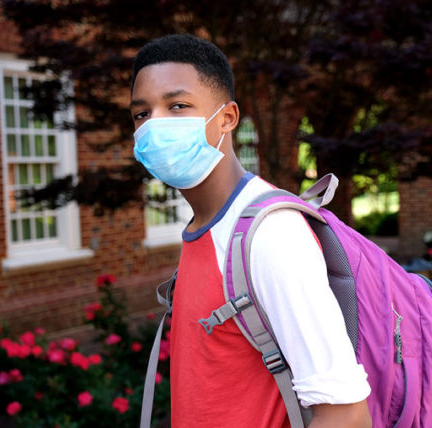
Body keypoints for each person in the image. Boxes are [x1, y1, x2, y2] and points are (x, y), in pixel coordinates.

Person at [130, 34, 372, 428]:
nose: (154, 125)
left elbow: (346, 414)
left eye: (177, 106)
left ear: (226, 118)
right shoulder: (203, 225)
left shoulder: (272, 235)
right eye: (142, 114)